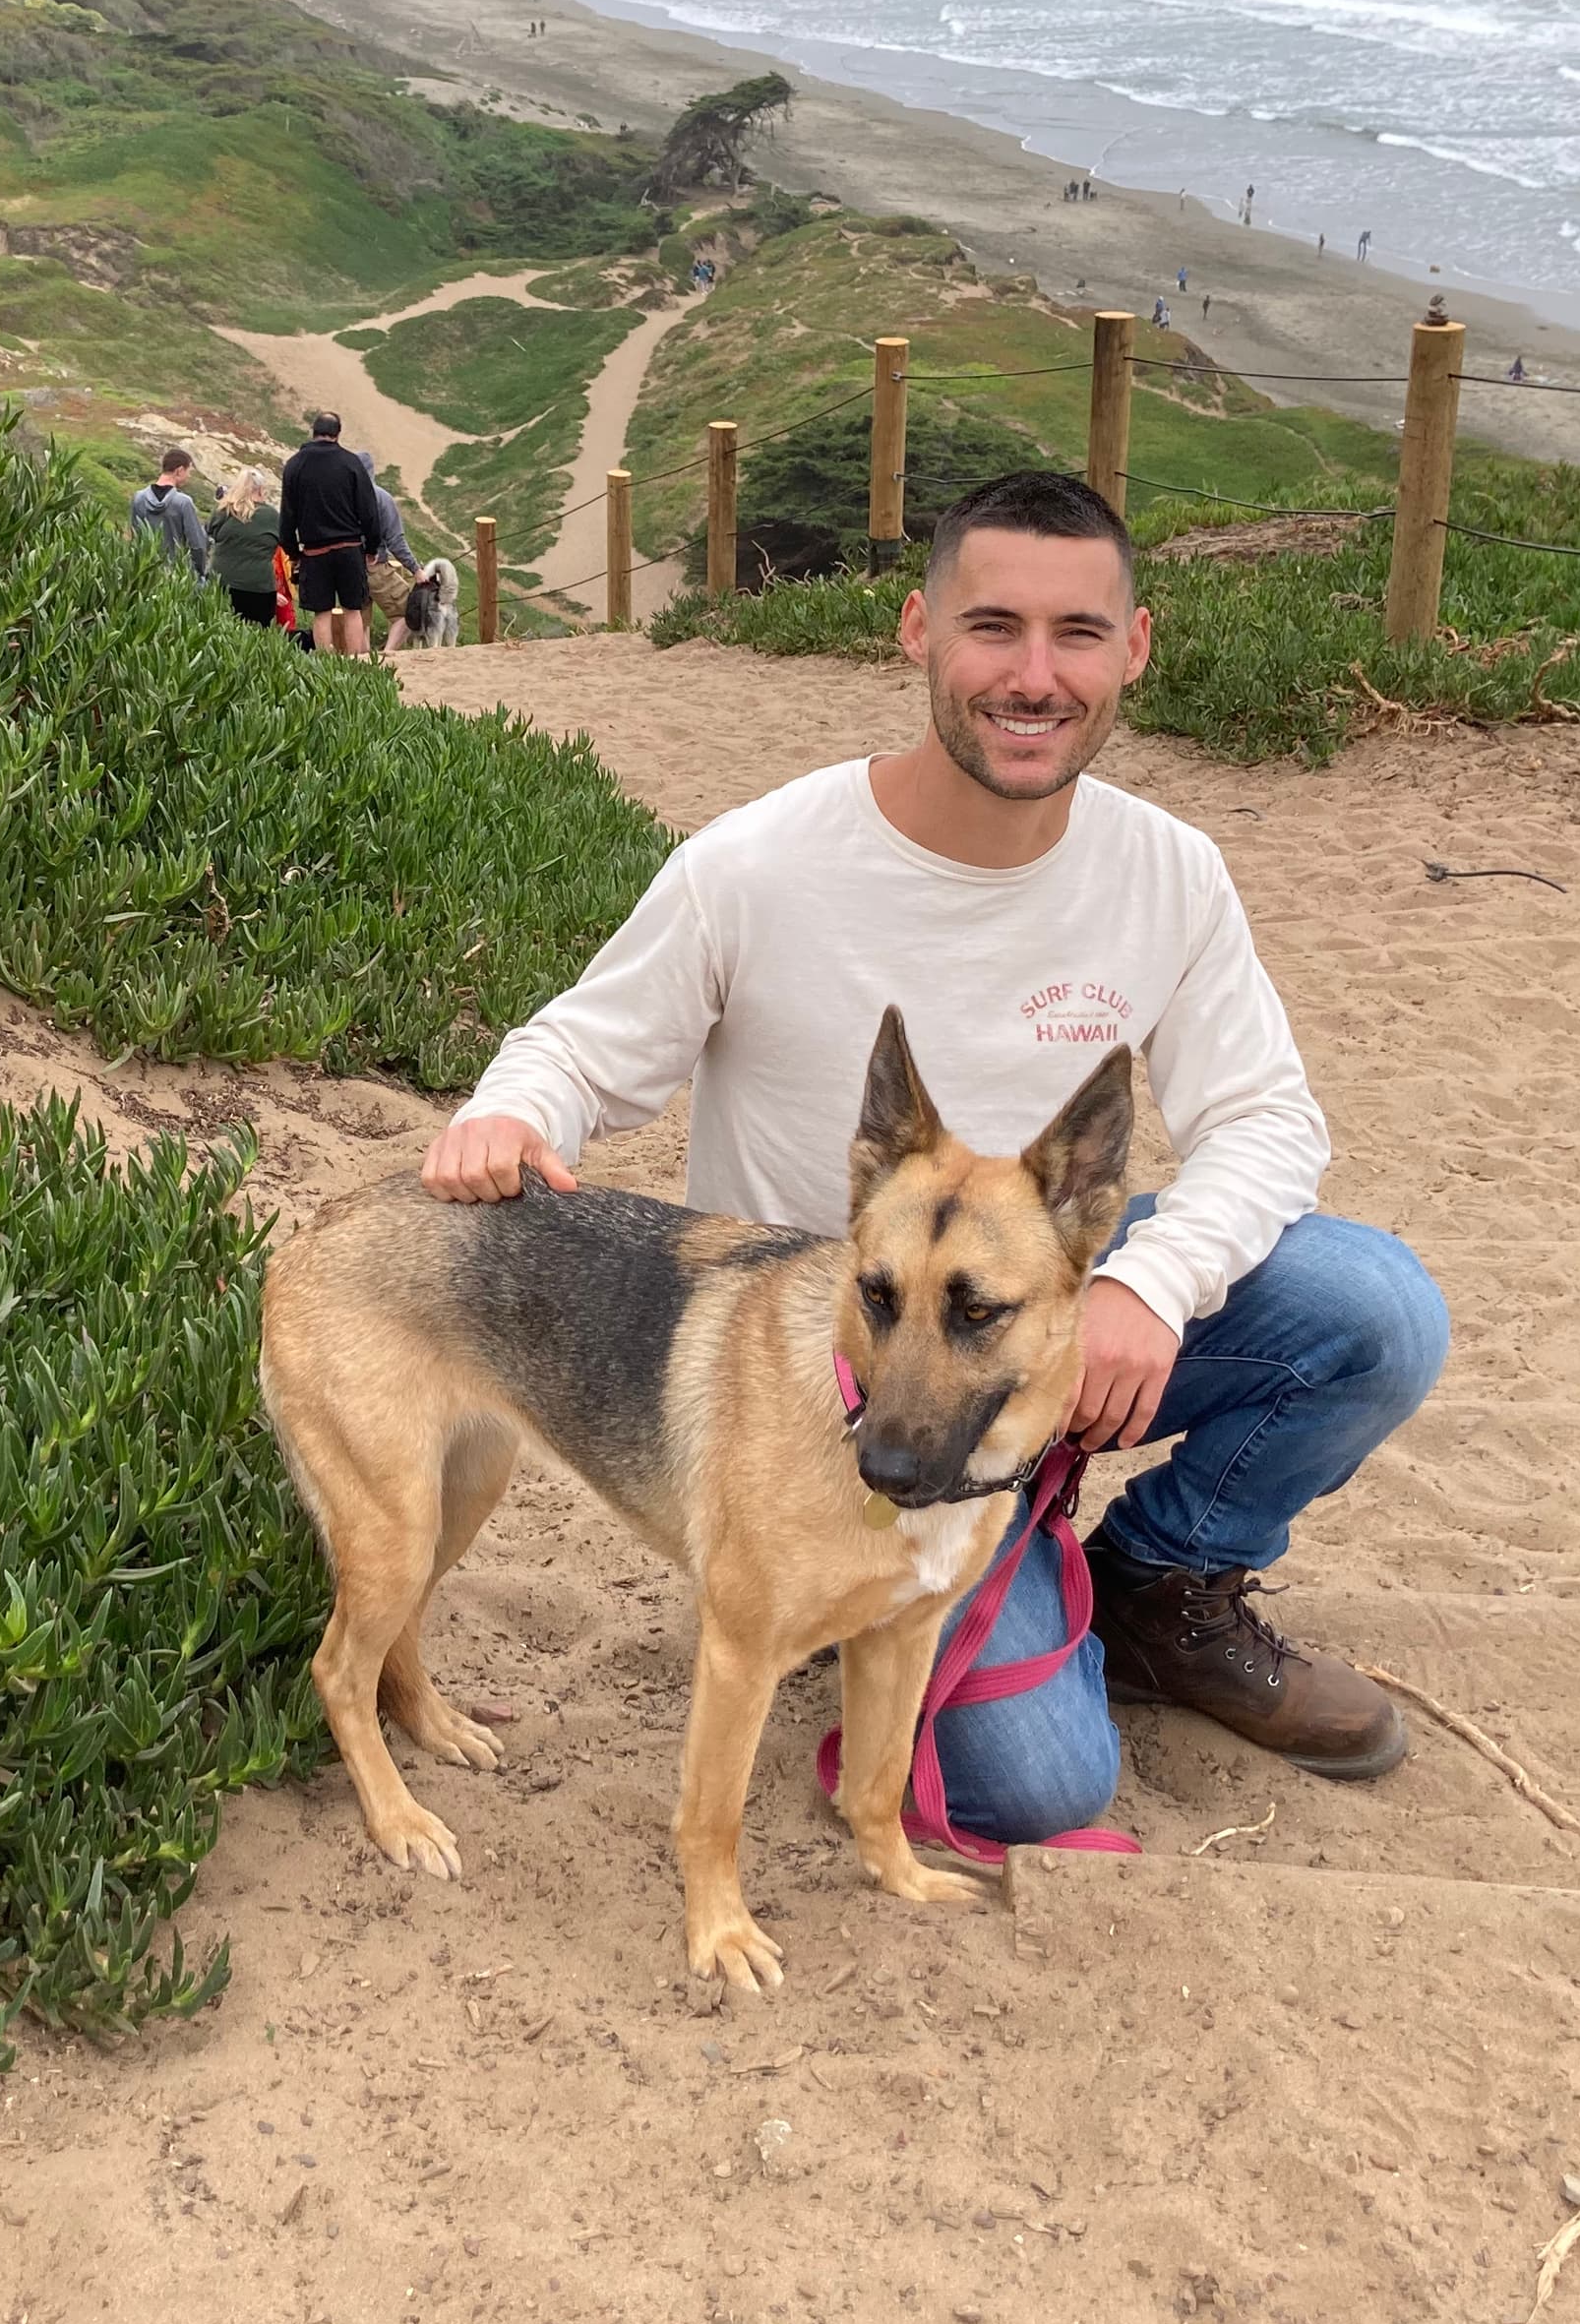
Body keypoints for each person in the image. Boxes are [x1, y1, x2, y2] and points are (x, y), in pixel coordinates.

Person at [422, 469, 1442, 1835]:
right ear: (917, 633)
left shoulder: (1171, 872)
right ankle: (875, 1573)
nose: (1034, 676)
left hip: (1045, 1312)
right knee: (1041, 1780)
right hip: (835, 1374)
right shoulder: (758, 866)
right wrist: (511, 1116)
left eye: (1078, 633)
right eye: (992, 628)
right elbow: (579, 1048)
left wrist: (1148, 1286)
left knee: (1375, 1312)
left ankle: (1161, 1588)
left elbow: (1266, 1121)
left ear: (1134, 649)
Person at [280, 410, 379, 658]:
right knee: (352, 610)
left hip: (314, 552)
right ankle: (356, 662)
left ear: (313, 432)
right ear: (338, 433)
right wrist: (371, 548)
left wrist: (293, 553)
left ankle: (325, 665)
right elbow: (368, 511)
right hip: (349, 548)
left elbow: (287, 516)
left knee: (321, 613)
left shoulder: (295, 465)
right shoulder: (351, 463)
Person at [210, 474, 287, 631]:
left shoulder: (222, 512)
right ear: (260, 490)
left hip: (222, 582)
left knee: (222, 629)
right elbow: (285, 542)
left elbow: (211, 533)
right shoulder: (270, 516)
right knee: (259, 634)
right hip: (258, 585)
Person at [129, 449, 209, 573]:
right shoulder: (183, 502)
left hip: (145, 573)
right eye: (188, 472)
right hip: (174, 576)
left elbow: (135, 536)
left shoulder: (139, 498)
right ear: (179, 471)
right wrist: (200, 571)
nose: (189, 476)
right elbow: (197, 544)